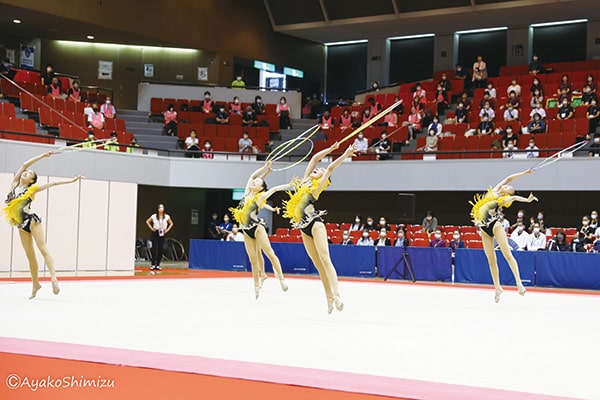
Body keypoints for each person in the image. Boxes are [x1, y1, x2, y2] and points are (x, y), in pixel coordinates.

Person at [282, 142, 356, 313]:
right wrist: (330, 149)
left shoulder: (317, 186)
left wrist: (345, 154)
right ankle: (328, 297)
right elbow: (315, 158)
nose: (319, 168)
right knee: (318, 265)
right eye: (318, 169)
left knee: (325, 259)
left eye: (320, 171)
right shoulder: (306, 180)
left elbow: (329, 168)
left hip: (315, 224)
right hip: (303, 228)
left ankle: (337, 295)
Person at [2, 152, 83, 298]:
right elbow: (24, 165)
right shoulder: (14, 185)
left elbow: (52, 184)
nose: (25, 173)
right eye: (25, 173)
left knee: (43, 249)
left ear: (31, 181)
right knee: (30, 256)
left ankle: (54, 279)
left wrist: (71, 181)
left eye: (28, 174)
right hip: (21, 225)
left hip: (31, 221)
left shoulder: (31, 190)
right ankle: (35, 284)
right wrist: (42, 156)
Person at [469, 168, 537, 302]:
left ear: (507, 193)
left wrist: (527, 200)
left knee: (507, 253)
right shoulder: (494, 190)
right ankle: (497, 288)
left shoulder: (502, 199)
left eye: (508, 187)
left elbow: (514, 197)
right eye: (506, 185)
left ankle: (519, 283)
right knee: (491, 260)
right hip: (484, 229)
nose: (505, 185)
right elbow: (509, 178)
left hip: (495, 225)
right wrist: (524, 173)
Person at [230, 161, 289, 298]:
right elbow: (252, 175)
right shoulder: (246, 193)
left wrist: (288, 185)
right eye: (254, 181)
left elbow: (273, 189)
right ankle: (256, 285)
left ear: (261, 188)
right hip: (246, 230)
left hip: (257, 227)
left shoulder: (260, 196)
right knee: (253, 259)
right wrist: (264, 168)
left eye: (257, 182)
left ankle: (281, 278)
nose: (254, 182)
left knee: (269, 252)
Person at [145, 204, 174, 271]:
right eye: (160, 207)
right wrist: (152, 228)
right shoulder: (154, 216)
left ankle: (158, 264)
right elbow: (147, 221)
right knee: (154, 248)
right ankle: (153, 264)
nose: (161, 209)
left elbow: (171, 223)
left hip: (162, 232)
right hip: (155, 232)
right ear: (158, 209)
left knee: (160, 248)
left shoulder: (166, 216)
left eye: (162, 207)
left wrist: (167, 230)